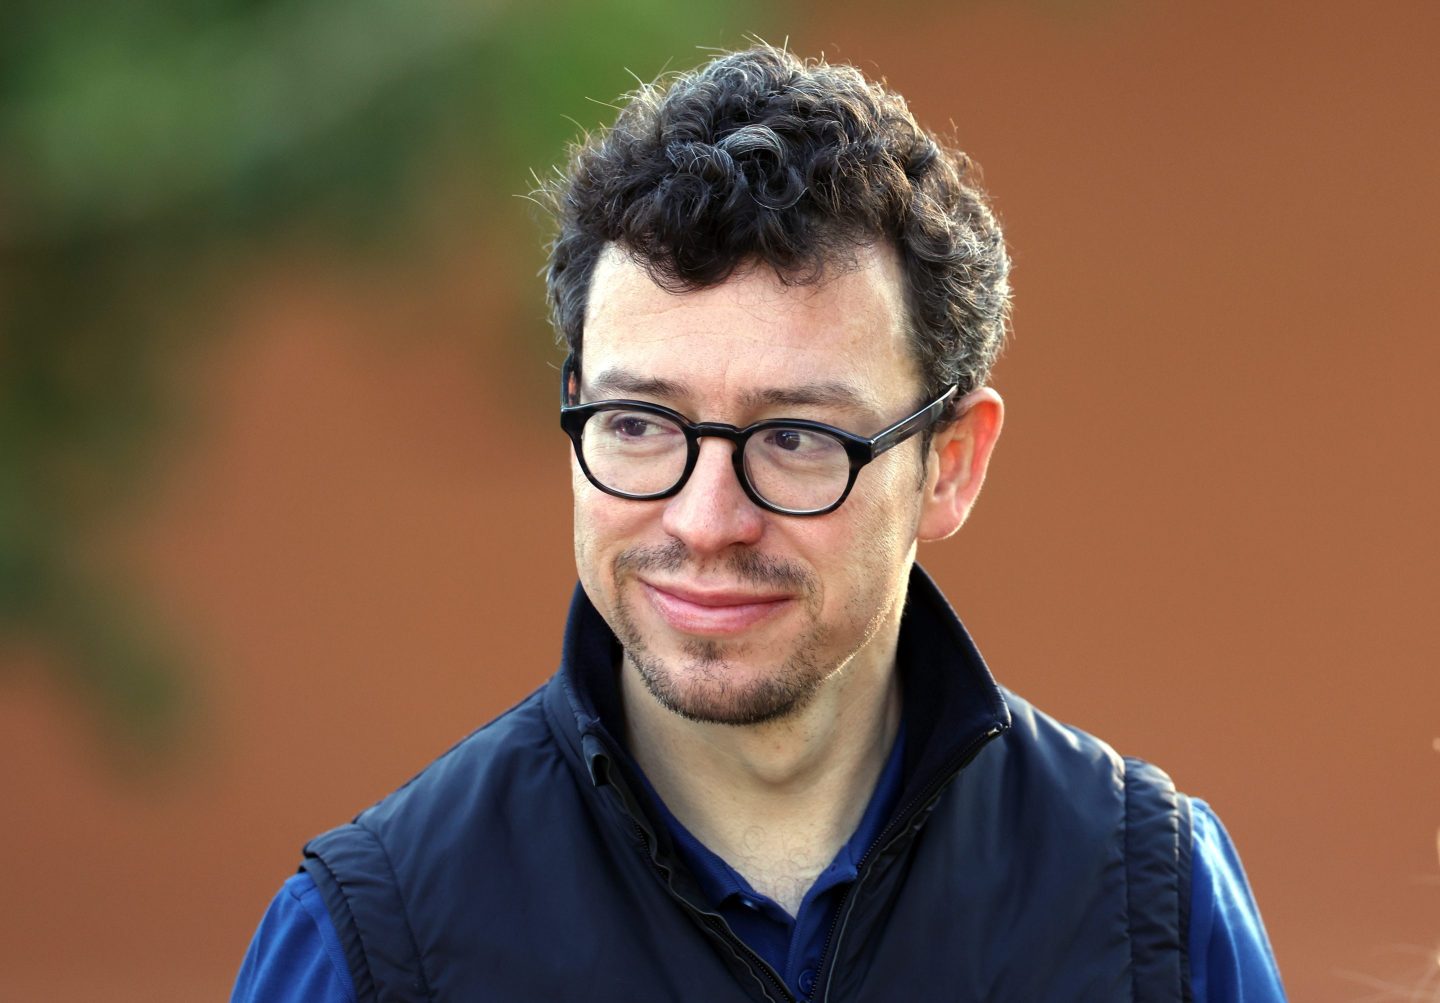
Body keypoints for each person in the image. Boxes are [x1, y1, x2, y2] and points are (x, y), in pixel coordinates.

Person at [231, 45, 1286, 1002]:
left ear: (950, 465)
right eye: (640, 421)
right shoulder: (371, 940)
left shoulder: (1152, 909)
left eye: (794, 438)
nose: (706, 520)